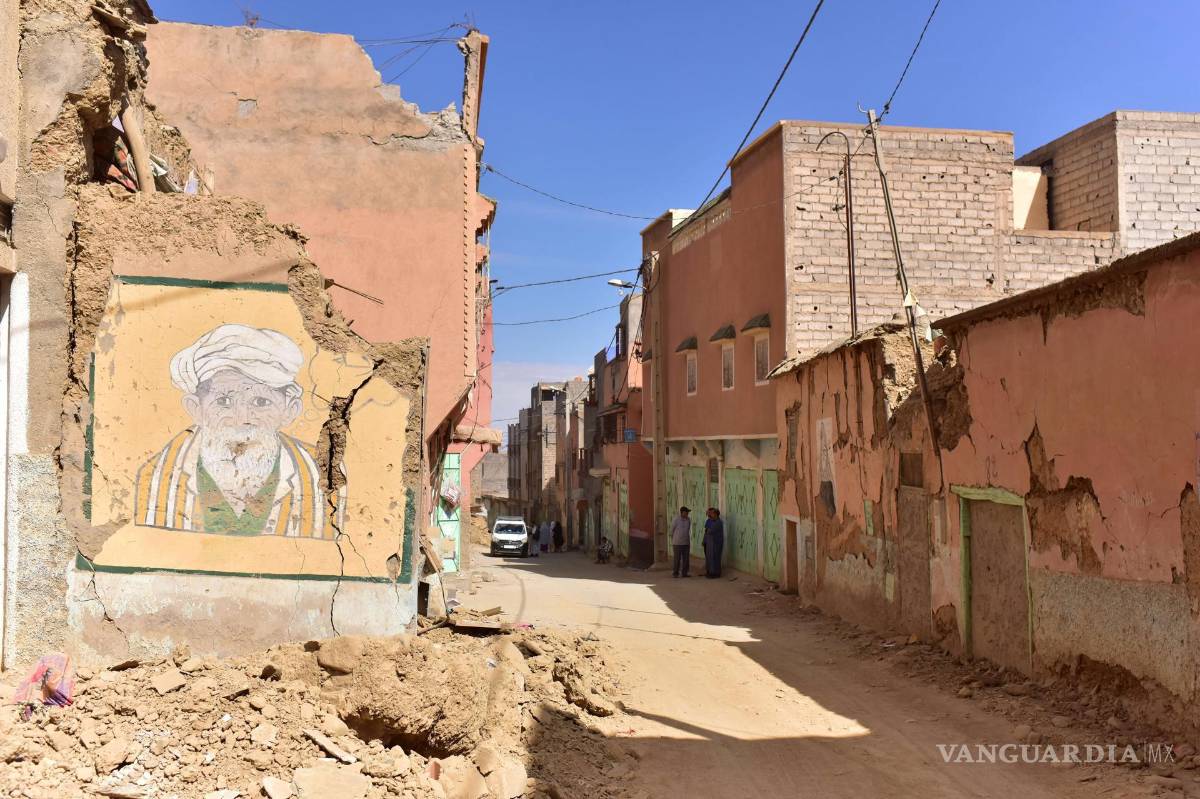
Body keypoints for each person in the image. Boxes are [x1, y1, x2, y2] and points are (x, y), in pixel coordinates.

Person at [135, 323, 338, 538]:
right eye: (224, 401)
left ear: (289, 411)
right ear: (196, 409)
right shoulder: (155, 476)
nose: (242, 419)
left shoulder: (323, 476)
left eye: (261, 402)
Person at [703, 507, 725, 578]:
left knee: (715, 558)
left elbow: (709, 531)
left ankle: (715, 573)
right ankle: (711, 572)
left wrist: (708, 531)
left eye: (712, 514)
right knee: (710, 558)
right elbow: (706, 531)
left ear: (715, 514)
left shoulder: (718, 522)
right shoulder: (711, 521)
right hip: (711, 543)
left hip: (716, 543)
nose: (710, 515)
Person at [671, 506, 692, 578]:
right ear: (682, 512)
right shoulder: (676, 519)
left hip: (686, 542)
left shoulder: (688, 520)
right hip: (677, 543)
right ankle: (675, 573)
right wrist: (673, 538)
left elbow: (688, 529)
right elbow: (672, 530)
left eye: (687, 513)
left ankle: (684, 573)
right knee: (677, 559)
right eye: (686, 512)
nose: (687, 514)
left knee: (686, 559)